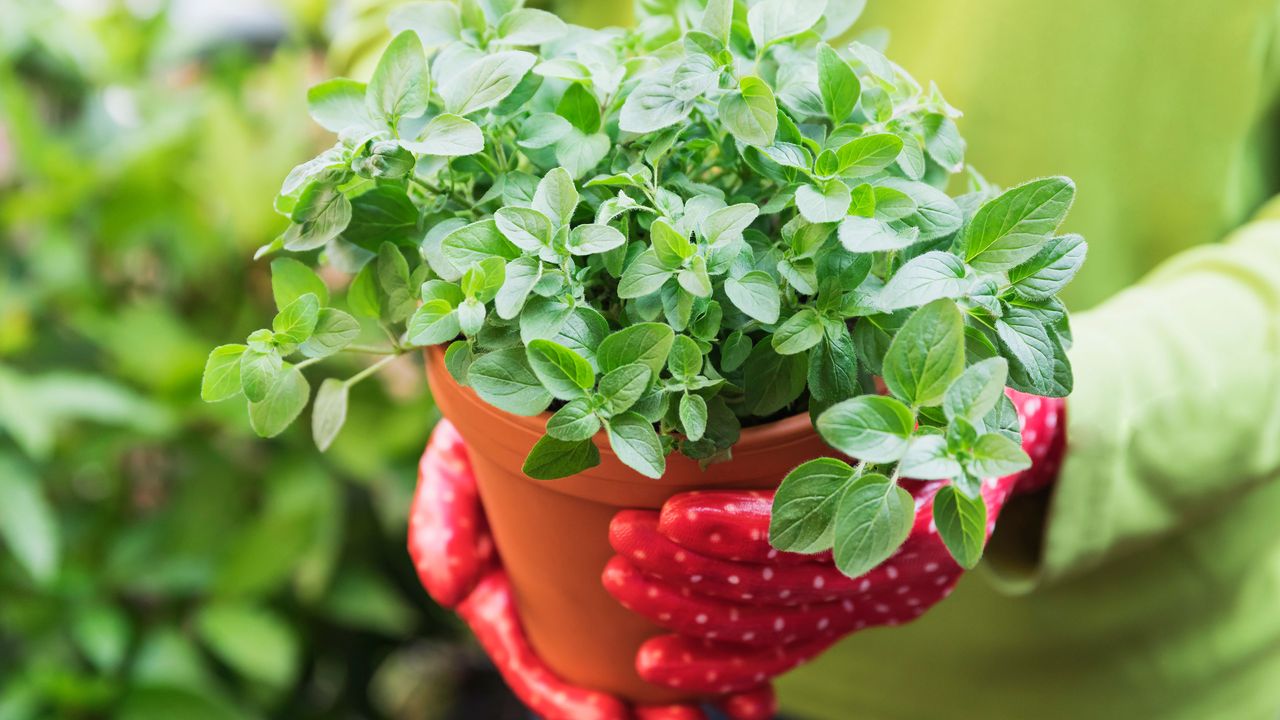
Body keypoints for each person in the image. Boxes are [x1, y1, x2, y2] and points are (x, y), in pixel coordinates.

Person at [410, 0, 1280, 717]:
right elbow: (402, 26)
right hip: (633, 647)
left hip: (1112, 675)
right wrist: (471, 322)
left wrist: (1065, 411)